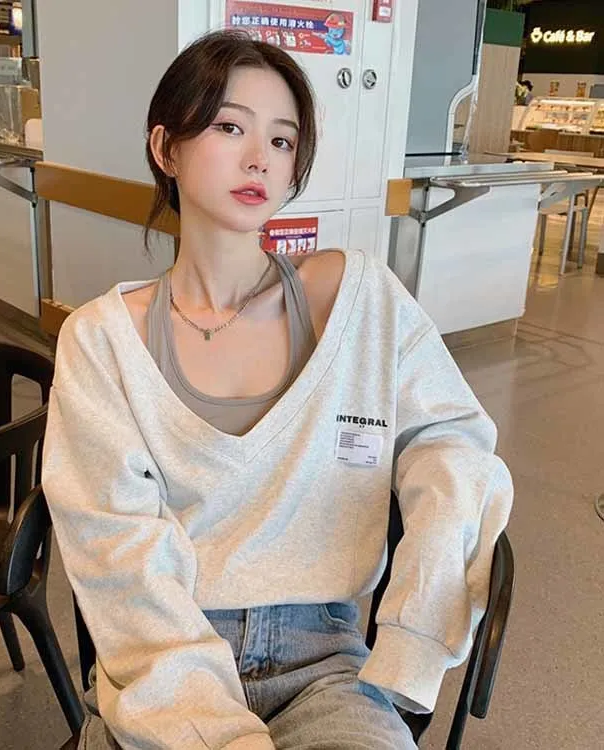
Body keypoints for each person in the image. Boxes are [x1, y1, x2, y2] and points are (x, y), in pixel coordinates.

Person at [42, 30, 513, 750]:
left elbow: (456, 444)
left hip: (328, 663)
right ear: (166, 148)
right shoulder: (102, 340)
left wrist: (415, 634)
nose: (260, 157)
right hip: (169, 661)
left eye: (283, 140)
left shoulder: (357, 301)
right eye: (230, 127)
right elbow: (118, 553)